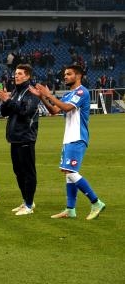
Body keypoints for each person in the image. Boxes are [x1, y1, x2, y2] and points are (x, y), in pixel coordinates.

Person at [30, 65, 106, 220]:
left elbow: (66, 108)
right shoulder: (69, 94)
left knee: (71, 172)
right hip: (69, 138)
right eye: (64, 74)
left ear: (78, 76)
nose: (65, 76)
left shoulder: (81, 92)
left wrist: (49, 94)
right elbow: (54, 111)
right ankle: (70, 210)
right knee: (67, 173)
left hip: (77, 137)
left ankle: (96, 202)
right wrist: (41, 97)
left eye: (68, 74)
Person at [0, 64, 40, 216]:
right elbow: (4, 112)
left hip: (26, 137)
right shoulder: (16, 91)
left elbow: (25, 111)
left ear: (27, 76)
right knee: (18, 172)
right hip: (14, 138)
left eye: (20, 73)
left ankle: (29, 205)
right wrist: (4, 100)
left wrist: (9, 100)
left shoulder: (32, 92)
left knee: (28, 173)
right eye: (15, 73)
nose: (16, 76)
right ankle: (26, 200)